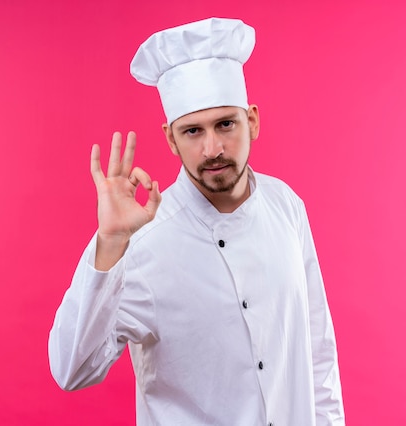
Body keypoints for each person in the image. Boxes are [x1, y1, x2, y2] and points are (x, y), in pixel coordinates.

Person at [49, 17, 345, 425]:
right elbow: (72, 370)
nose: (212, 149)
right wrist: (110, 241)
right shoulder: (143, 240)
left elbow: (318, 349)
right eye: (192, 131)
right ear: (171, 138)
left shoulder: (286, 205)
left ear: (252, 121)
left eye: (226, 124)